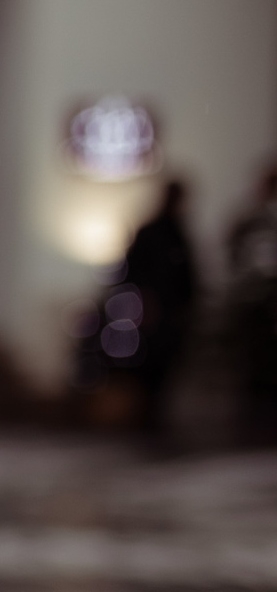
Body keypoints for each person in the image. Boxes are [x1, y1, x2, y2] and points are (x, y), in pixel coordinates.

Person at [119, 177, 198, 434]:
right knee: (146, 373)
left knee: (163, 374)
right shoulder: (156, 233)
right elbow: (131, 274)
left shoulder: (177, 232)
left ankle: (151, 422)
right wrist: (144, 303)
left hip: (170, 317)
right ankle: (143, 423)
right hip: (149, 316)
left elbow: (188, 278)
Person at [227, 168, 277, 443]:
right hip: (253, 302)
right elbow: (233, 250)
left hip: (262, 300)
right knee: (254, 363)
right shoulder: (251, 219)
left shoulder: (257, 219)